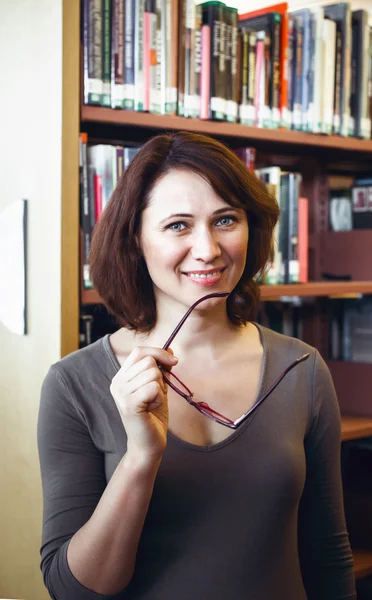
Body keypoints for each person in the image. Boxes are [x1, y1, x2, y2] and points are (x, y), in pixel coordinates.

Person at [38, 131, 356, 600]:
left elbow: (328, 556)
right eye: (178, 226)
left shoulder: (302, 369)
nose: (208, 249)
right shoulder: (72, 384)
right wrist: (141, 458)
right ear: (135, 239)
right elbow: (73, 591)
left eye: (225, 219)